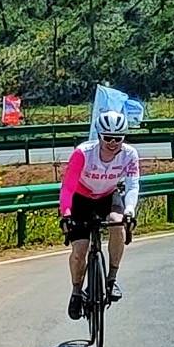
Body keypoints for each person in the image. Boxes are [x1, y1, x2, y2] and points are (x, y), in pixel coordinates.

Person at [58, 111, 140, 320]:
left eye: (118, 139)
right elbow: (67, 187)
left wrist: (129, 210)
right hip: (81, 198)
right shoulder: (83, 153)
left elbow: (132, 185)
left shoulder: (130, 155)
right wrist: (66, 213)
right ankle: (77, 290)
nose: (112, 143)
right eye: (108, 138)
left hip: (107, 196)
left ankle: (111, 279)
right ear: (99, 136)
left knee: (117, 222)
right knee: (80, 251)